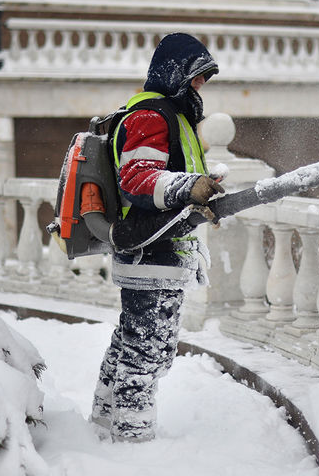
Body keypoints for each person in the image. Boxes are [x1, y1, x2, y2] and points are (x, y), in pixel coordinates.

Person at [87, 32, 225, 443]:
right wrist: (188, 187)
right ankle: (132, 439)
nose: (201, 86)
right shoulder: (150, 114)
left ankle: (103, 421)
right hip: (151, 248)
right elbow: (137, 179)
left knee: (133, 342)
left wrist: (200, 183)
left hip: (158, 248)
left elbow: (162, 174)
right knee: (146, 352)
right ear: (174, 73)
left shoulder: (173, 115)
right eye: (196, 77)